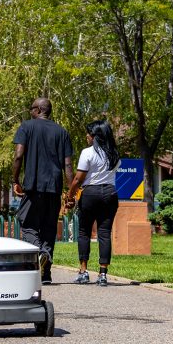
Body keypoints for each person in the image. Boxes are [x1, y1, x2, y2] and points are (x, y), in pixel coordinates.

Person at [12, 97, 74, 285]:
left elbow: (18, 155)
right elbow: (68, 165)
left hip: (32, 186)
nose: (29, 112)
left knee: (27, 223)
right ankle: (45, 274)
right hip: (53, 188)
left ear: (38, 110)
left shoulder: (26, 127)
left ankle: (40, 252)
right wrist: (71, 193)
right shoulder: (62, 132)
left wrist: (14, 180)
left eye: (31, 108)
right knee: (48, 228)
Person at [64, 120, 120, 287]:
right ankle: (103, 274)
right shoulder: (114, 154)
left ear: (96, 136)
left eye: (89, 133)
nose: (87, 136)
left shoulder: (87, 153)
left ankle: (83, 271)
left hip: (90, 193)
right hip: (110, 193)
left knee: (84, 232)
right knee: (104, 233)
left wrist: (70, 196)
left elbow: (78, 179)